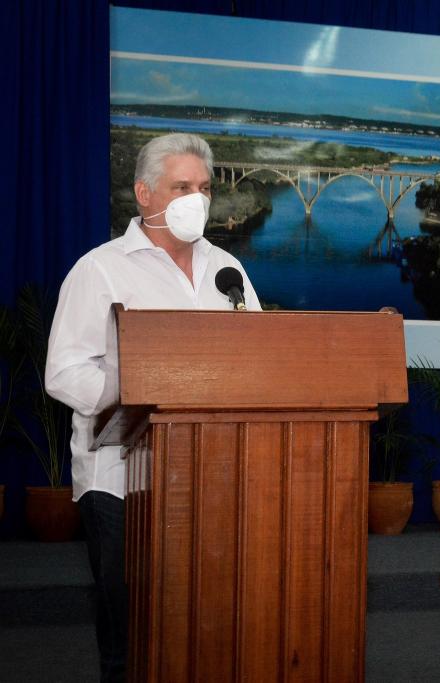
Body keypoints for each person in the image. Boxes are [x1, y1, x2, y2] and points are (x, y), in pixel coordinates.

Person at [45, 133, 261, 682]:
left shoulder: (227, 272)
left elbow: (261, 356)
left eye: (205, 188)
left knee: (209, 628)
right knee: (134, 639)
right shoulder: (100, 270)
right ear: (144, 193)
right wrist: (137, 401)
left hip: (213, 478)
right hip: (121, 481)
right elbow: (64, 371)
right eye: (181, 186)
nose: (198, 199)